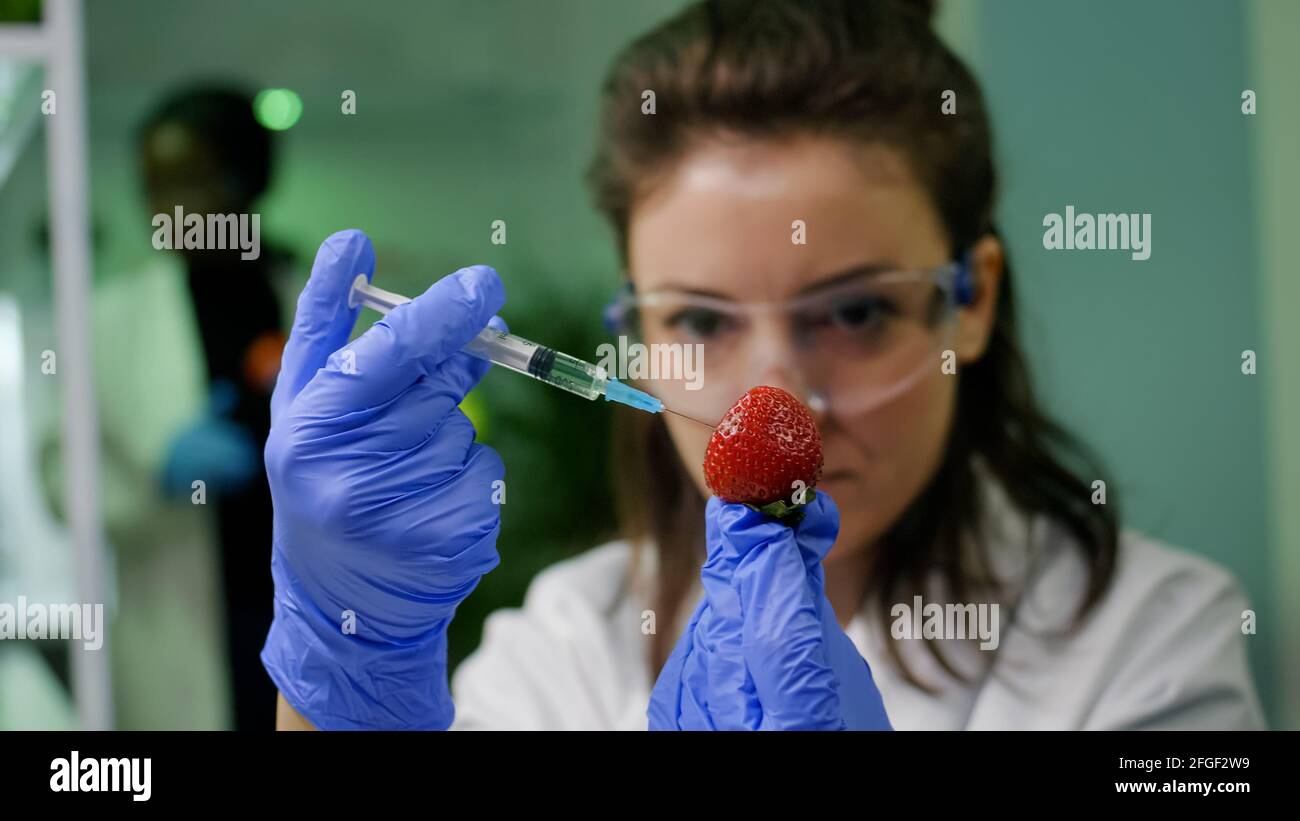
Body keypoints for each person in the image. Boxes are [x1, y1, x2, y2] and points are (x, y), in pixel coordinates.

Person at [261, 0, 1263, 730]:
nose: (775, 400)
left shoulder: (1153, 643)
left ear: (972, 298)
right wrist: (344, 673)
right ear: (636, 331)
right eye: (701, 317)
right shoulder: (566, 641)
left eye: (857, 309)